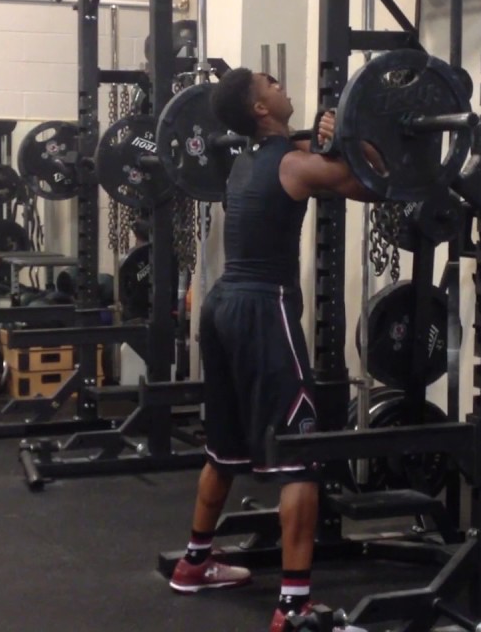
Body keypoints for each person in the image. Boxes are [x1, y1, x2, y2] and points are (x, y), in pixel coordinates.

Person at [166, 69, 381, 632]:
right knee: (300, 455)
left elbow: (312, 150)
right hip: (263, 310)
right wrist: (357, 141)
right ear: (261, 108)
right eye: (269, 82)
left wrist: (334, 135)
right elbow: (369, 184)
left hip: (221, 309)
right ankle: (293, 605)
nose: (281, 83)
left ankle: (194, 562)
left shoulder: (246, 161)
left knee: (226, 445)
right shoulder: (293, 164)